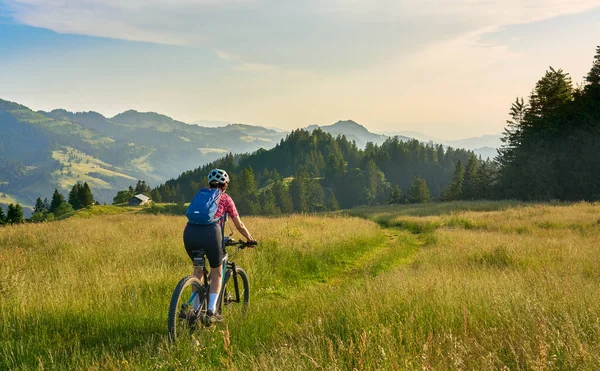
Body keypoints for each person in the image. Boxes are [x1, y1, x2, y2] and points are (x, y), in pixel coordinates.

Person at [183, 168, 255, 322]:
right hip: (211, 235)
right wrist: (249, 238)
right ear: (225, 184)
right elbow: (239, 224)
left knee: (198, 271)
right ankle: (211, 312)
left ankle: (195, 310)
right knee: (217, 273)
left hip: (189, 234)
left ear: (210, 183)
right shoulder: (225, 199)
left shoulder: (201, 195)